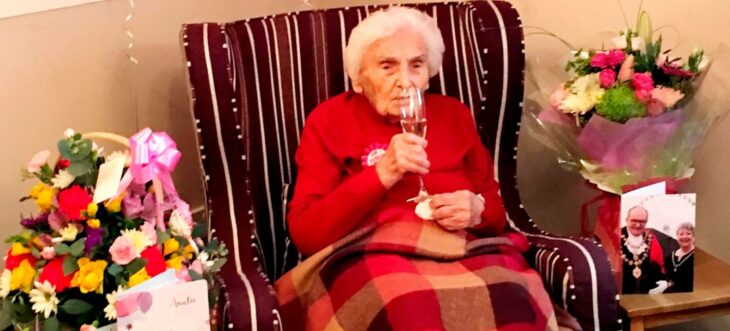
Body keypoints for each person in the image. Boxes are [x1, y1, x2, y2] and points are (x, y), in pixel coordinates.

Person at [274, 6, 560, 331]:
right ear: (357, 79)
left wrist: (476, 211)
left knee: (511, 299)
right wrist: (381, 175)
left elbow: (495, 212)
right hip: (370, 255)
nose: (405, 81)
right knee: (405, 305)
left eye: (416, 65)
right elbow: (307, 233)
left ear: (429, 74)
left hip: (465, 250)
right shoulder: (328, 121)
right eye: (387, 66)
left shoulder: (454, 115)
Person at [620, 206, 668, 294]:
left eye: (642, 221)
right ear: (626, 219)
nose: (638, 225)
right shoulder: (615, 239)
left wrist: (664, 282)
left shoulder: (652, 239)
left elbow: (659, 267)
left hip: (646, 296)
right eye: (634, 220)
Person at [664, 222, 695, 292]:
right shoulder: (668, 258)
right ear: (677, 236)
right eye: (681, 234)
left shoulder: (699, 257)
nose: (684, 236)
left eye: (688, 233)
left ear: (693, 236)